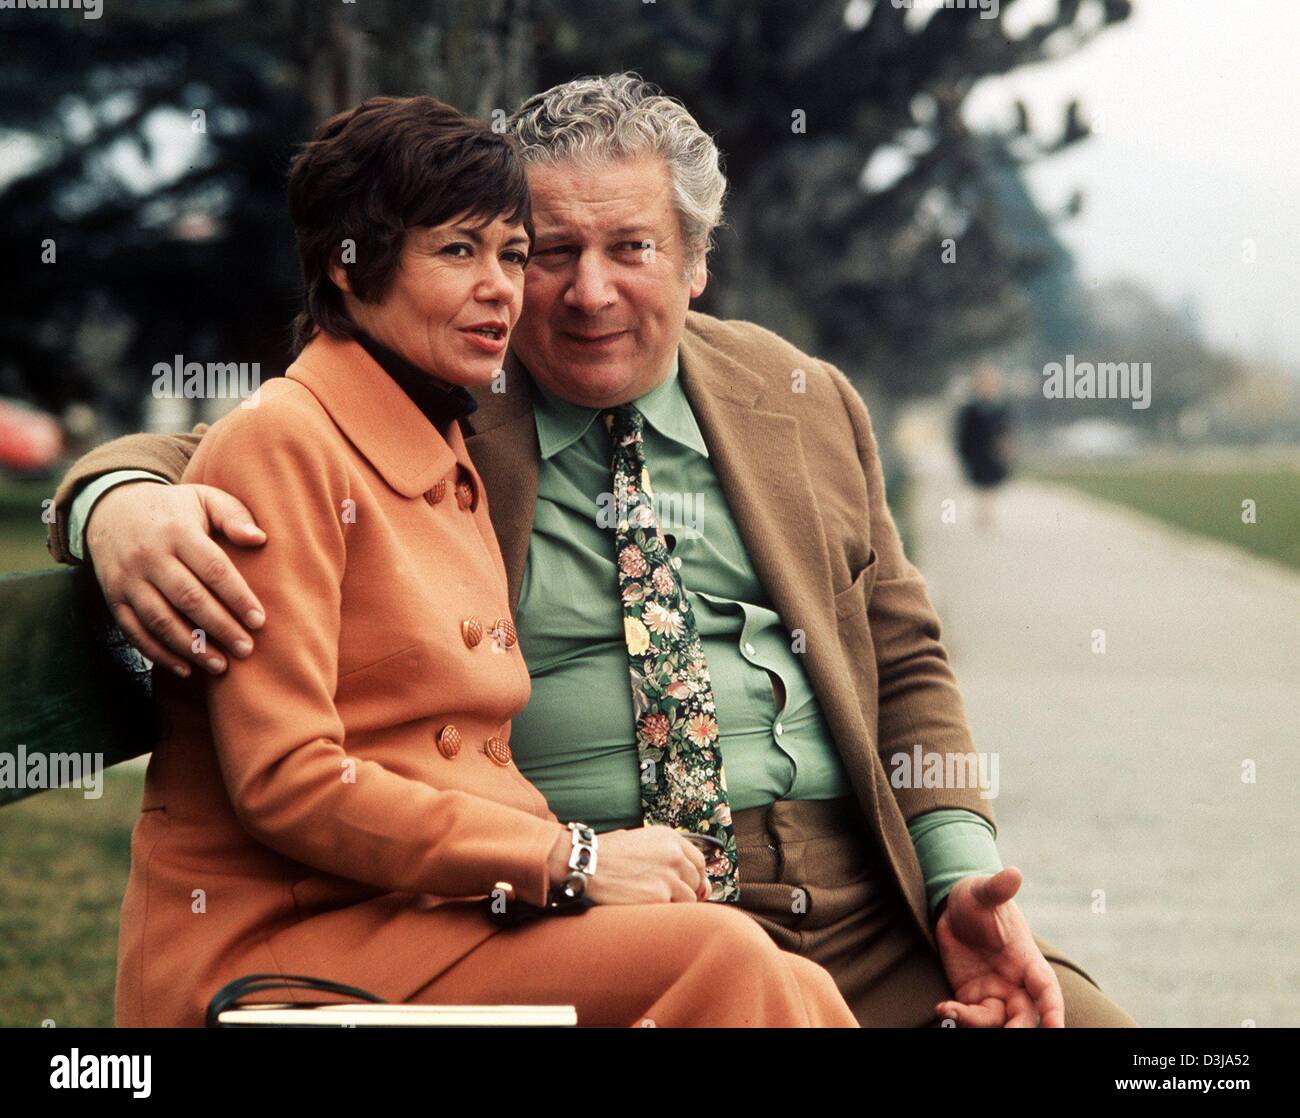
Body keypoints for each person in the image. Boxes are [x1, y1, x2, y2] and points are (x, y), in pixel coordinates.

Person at [49, 75, 1134, 1027]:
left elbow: (906, 660)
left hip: (852, 909)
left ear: (697, 261)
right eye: (549, 251)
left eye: (632, 248)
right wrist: (117, 502)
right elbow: (243, 445)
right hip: (591, 896)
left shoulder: (798, 401)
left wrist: (959, 882)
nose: (586, 291)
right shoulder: (439, 391)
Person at [87, 94, 856, 1028]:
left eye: (512, 255)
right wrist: (574, 859)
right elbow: (287, 779)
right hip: (293, 944)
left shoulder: (438, 438)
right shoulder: (286, 444)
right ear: (350, 262)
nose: (504, 288)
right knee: (726, 959)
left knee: (795, 984)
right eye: (459, 251)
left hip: (431, 918)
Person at [955, 362, 1014, 532]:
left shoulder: (1001, 406)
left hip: (994, 452)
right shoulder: (970, 408)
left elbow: (1006, 429)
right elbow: (963, 433)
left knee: (990, 484)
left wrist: (1006, 447)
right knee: (982, 484)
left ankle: (986, 514)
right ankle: (984, 514)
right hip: (976, 451)